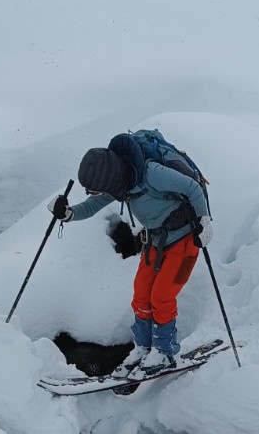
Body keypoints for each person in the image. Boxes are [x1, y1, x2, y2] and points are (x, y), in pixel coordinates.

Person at [47, 132, 213, 377]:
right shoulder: (119, 181)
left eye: (94, 189)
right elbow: (92, 206)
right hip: (155, 242)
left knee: (162, 297)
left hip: (186, 240)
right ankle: (143, 349)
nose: (93, 194)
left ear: (108, 178)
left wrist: (204, 221)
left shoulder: (151, 174)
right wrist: (68, 214)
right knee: (141, 295)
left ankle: (165, 353)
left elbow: (192, 187)